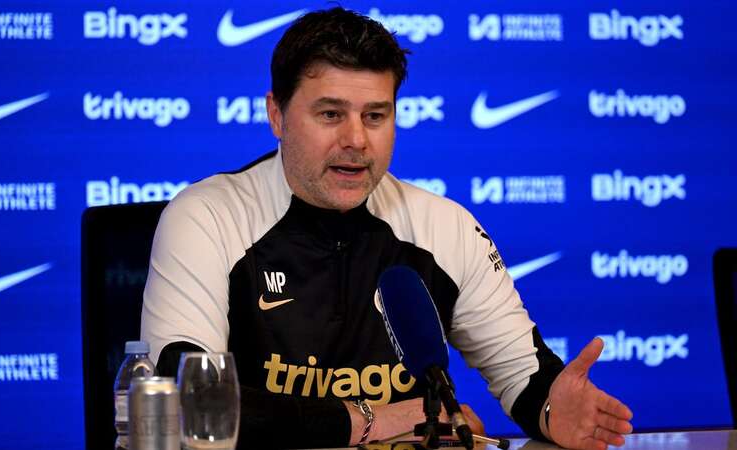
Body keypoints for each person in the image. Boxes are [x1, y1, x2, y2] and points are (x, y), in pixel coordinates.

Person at [141, 7, 633, 450]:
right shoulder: (206, 218)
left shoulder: (444, 227)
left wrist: (552, 410)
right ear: (277, 114)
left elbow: (525, 377)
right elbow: (190, 401)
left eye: (375, 116)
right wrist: (379, 419)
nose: (356, 140)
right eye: (330, 114)